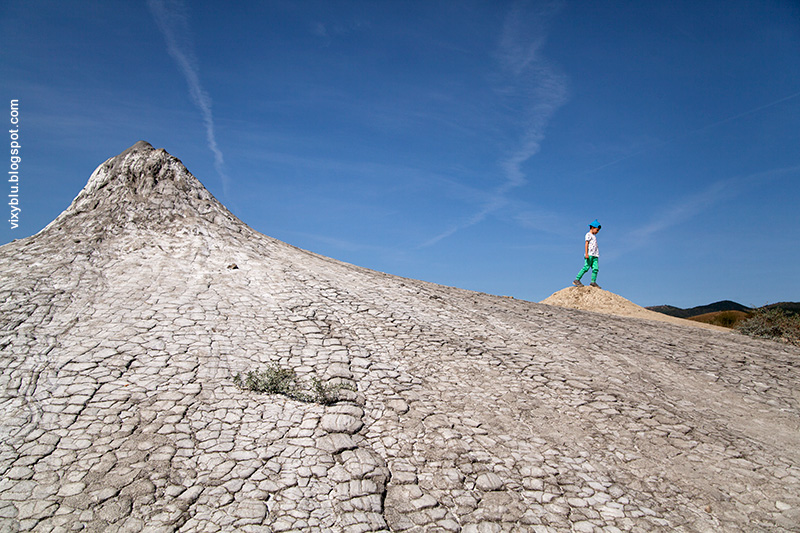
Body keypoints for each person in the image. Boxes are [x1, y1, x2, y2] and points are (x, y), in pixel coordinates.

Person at [573, 220, 601, 288]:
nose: (597, 232)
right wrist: (586, 254)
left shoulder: (594, 237)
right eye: (597, 230)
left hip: (595, 255)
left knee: (595, 268)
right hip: (590, 254)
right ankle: (577, 279)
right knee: (586, 267)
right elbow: (586, 244)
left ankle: (593, 282)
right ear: (592, 227)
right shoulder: (588, 235)